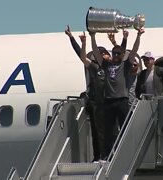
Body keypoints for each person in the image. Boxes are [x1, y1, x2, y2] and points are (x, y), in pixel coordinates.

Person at [90, 28, 145, 159]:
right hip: (109, 101)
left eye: (118, 54)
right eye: (113, 53)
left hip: (122, 101)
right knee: (108, 131)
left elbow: (134, 51)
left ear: (122, 55)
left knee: (125, 128)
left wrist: (138, 36)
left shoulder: (125, 65)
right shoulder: (106, 65)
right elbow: (97, 53)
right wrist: (93, 37)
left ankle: (127, 154)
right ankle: (107, 155)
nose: (115, 56)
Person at [65, 26, 108, 161]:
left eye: (104, 53)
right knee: (96, 132)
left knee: (108, 132)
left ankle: (107, 154)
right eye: (99, 54)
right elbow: (80, 54)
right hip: (97, 103)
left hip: (109, 102)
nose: (102, 56)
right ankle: (98, 156)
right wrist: (72, 38)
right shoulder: (95, 67)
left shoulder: (114, 66)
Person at [107, 31, 142, 107]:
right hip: (123, 101)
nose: (133, 65)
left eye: (135, 64)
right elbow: (121, 53)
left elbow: (133, 51)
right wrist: (115, 42)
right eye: (132, 64)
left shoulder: (137, 74)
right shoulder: (124, 70)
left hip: (131, 103)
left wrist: (138, 36)